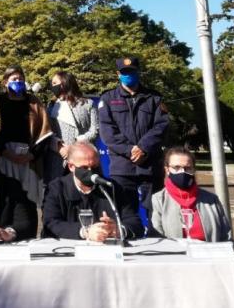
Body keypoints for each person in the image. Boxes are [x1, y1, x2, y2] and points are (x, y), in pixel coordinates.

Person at [98, 56, 169, 208]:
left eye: (132, 71)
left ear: (139, 72)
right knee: (125, 214)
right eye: (125, 72)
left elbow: (161, 126)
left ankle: (154, 233)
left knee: (155, 213)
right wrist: (130, 150)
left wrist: (143, 148)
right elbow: (107, 132)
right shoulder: (108, 98)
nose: (128, 75)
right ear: (118, 74)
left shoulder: (154, 98)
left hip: (150, 165)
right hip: (122, 167)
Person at [42, 142, 143, 241]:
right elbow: (51, 224)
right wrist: (85, 232)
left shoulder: (111, 188)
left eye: (95, 167)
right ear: (71, 167)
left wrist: (118, 230)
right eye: (84, 168)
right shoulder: (56, 189)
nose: (91, 172)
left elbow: (135, 222)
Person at [0, 65, 52, 207]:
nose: (18, 81)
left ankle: (28, 225)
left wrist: (32, 155)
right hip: (4, 155)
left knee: (28, 197)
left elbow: (44, 131)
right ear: (5, 82)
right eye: (14, 79)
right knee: (7, 194)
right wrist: (5, 152)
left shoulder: (33, 101)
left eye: (21, 79)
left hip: (28, 156)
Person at [149, 146, 231, 242]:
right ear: (167, 170)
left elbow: (226, 237)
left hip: (209, 254)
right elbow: (156, 238)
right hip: (175, 255)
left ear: (194, 169)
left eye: (188, 168)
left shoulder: (211, 200)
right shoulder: (158, 200)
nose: (182, 172)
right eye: (176, 167)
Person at [45, 71, 99, 184]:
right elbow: (48, 132)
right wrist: (60, 147)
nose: (52, 86)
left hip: (84, 156)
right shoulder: (52, 106)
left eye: (55, 83)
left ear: (64, 83)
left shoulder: (88, 104)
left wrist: (75, 146)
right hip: (59, 159)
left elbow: (94, 130)